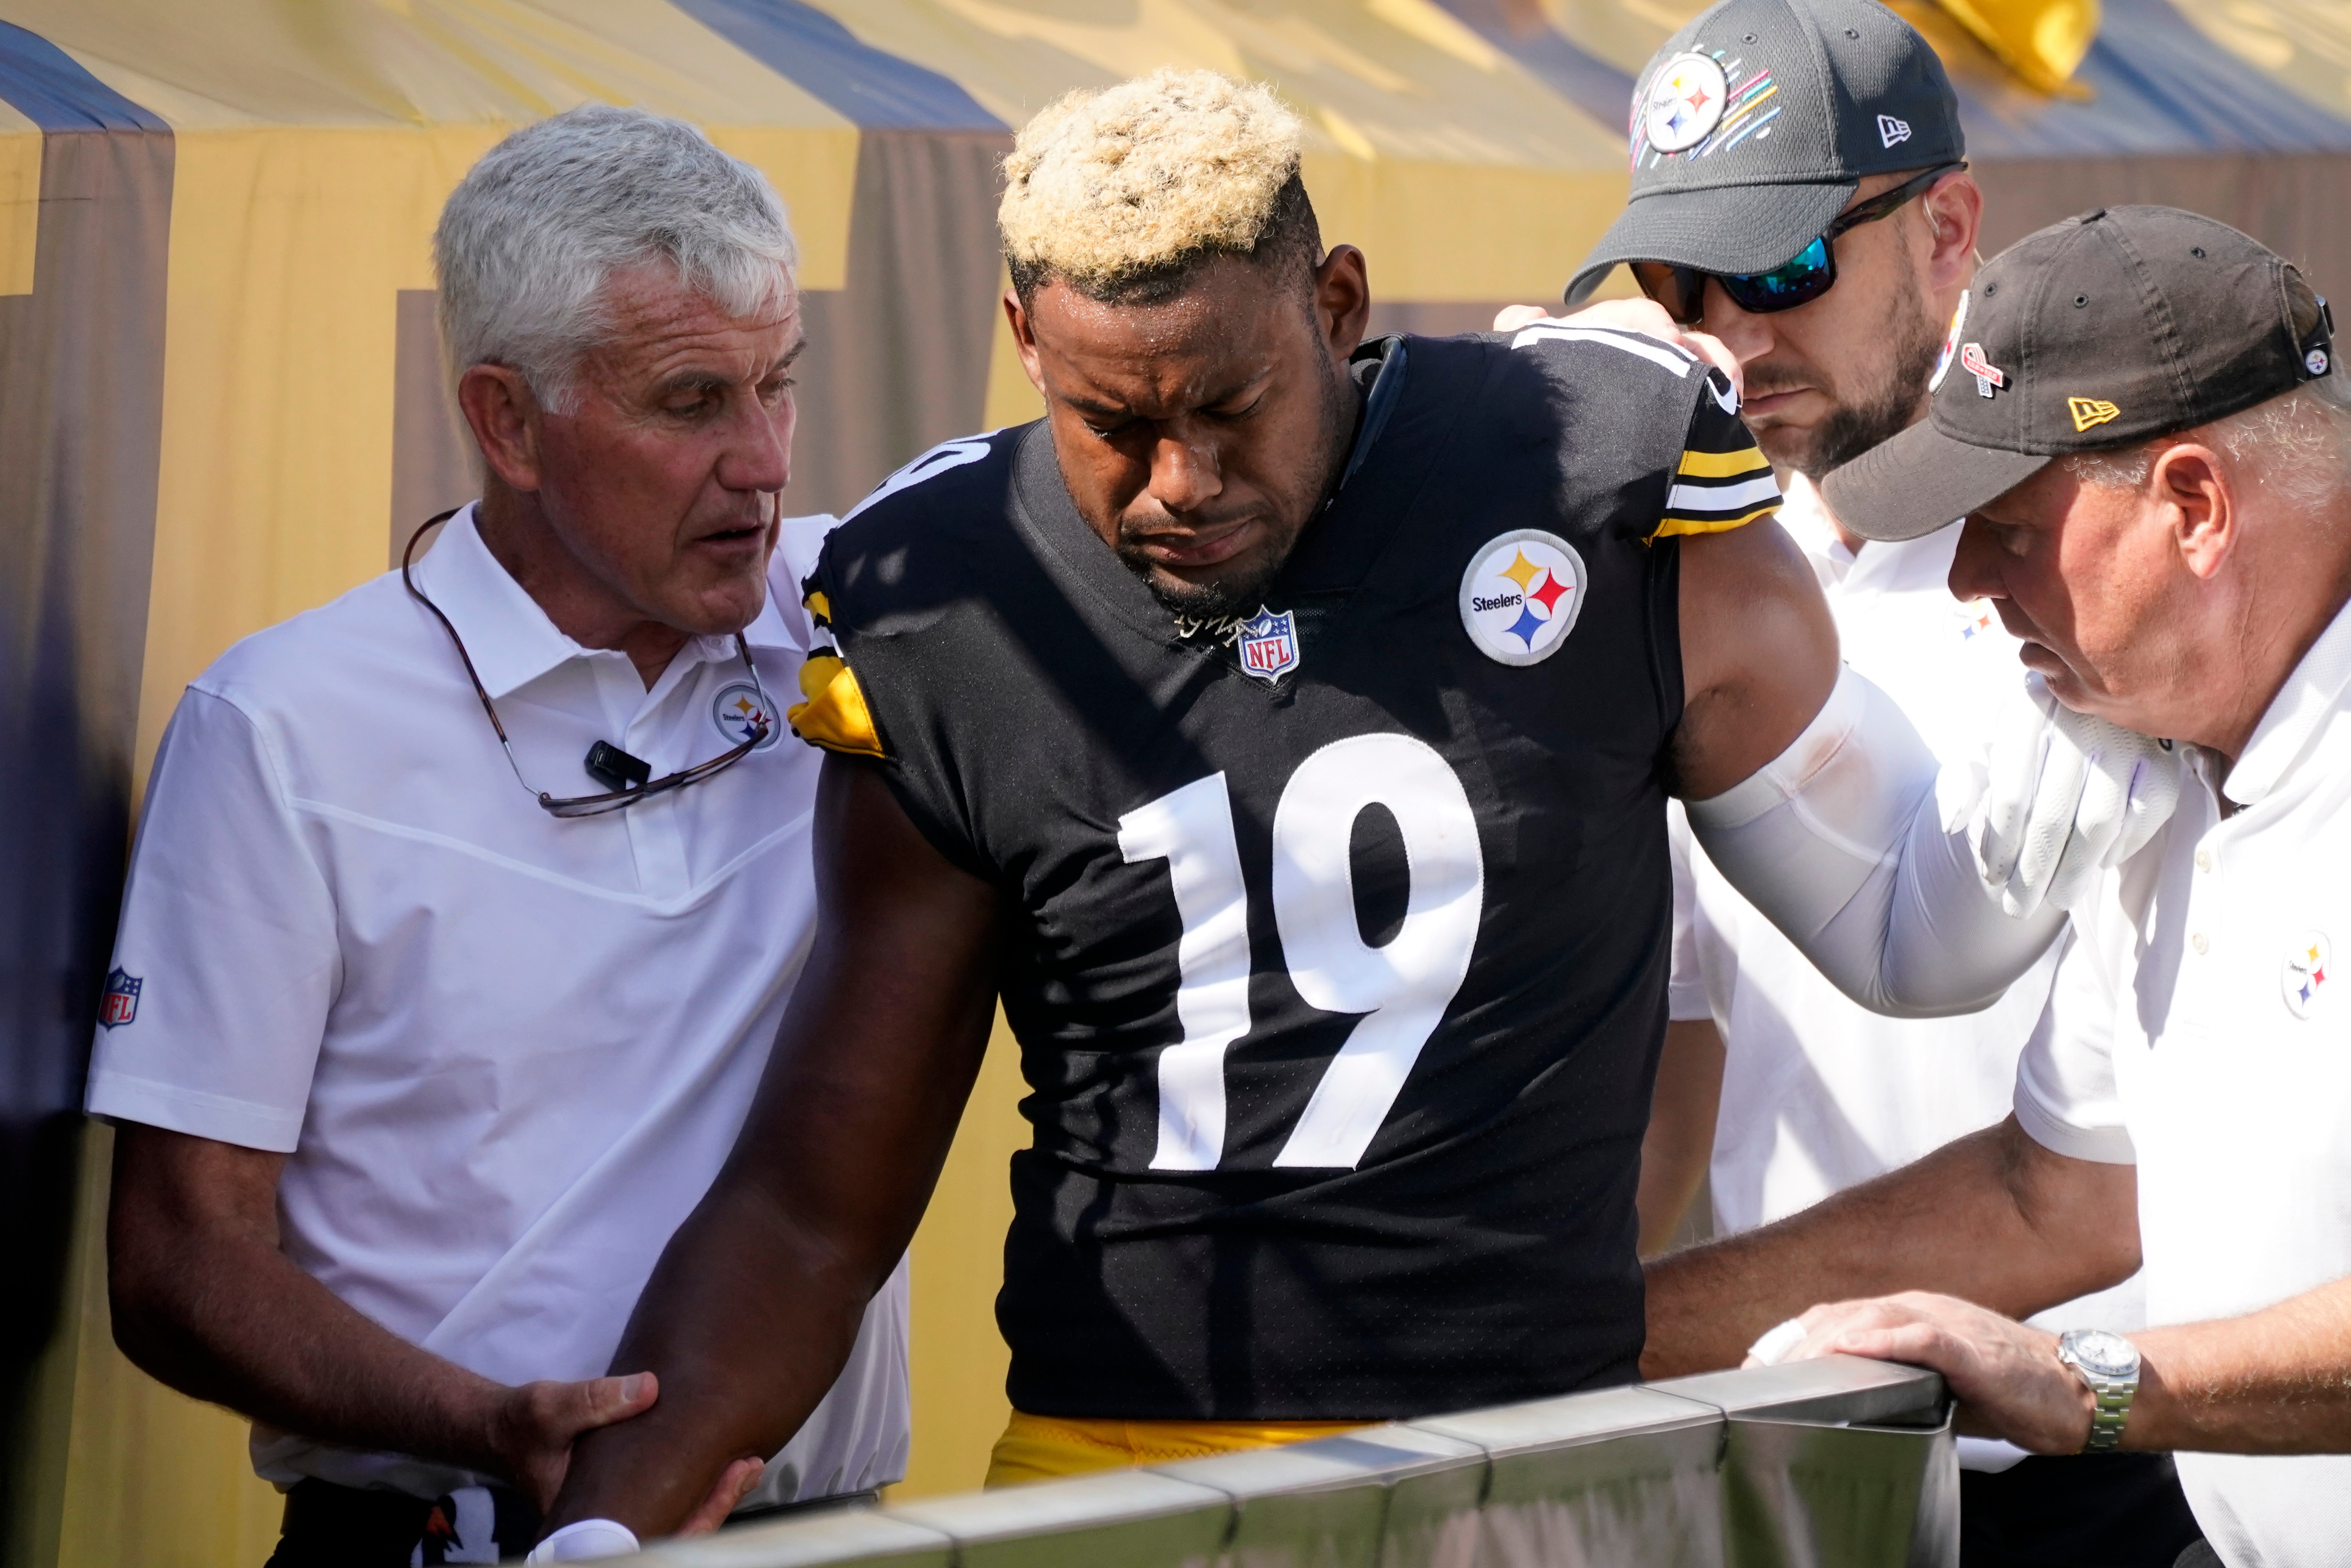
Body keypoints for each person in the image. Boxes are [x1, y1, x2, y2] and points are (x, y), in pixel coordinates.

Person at [532, 70, 2173, 1547]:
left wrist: (2122, 716)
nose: (1182, 481)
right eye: (1116, 425)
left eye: (1230, 406)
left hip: (1531, 1468)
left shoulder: (1583, 469)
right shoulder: (947, 597)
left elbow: (1907, 931)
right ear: (1026, 343)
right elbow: (815, 1206)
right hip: (1123, 1459)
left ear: (1335, 306)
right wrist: (600, 1534)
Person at [87, 105, 908, 1568]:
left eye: (779, 384)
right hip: (438, 1536)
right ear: (507, 421)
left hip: (831, 1538)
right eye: (690, 401)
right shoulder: (284, 725)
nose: (762, 461)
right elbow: (177, 1261)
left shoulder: (878, 617)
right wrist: (487, 1423)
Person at [1543, 2, 2200, 1559]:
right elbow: (1687, 1061)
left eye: (1781, 269)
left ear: (1949, 231)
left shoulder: (2123, 560)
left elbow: (2078, 1193)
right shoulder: (1684, 578)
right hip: (1801, 1458)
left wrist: (1588, 1347)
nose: (1729, 334)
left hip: (2131, 1453)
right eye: (1677, 284)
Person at [1641, 205, 2351, 1568]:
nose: (1970, 578)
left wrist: (2098, 1386)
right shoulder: (2158, 761)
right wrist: (1592, 1340)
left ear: (2195, 508)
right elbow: (2052, 1194)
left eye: (2009, 530)